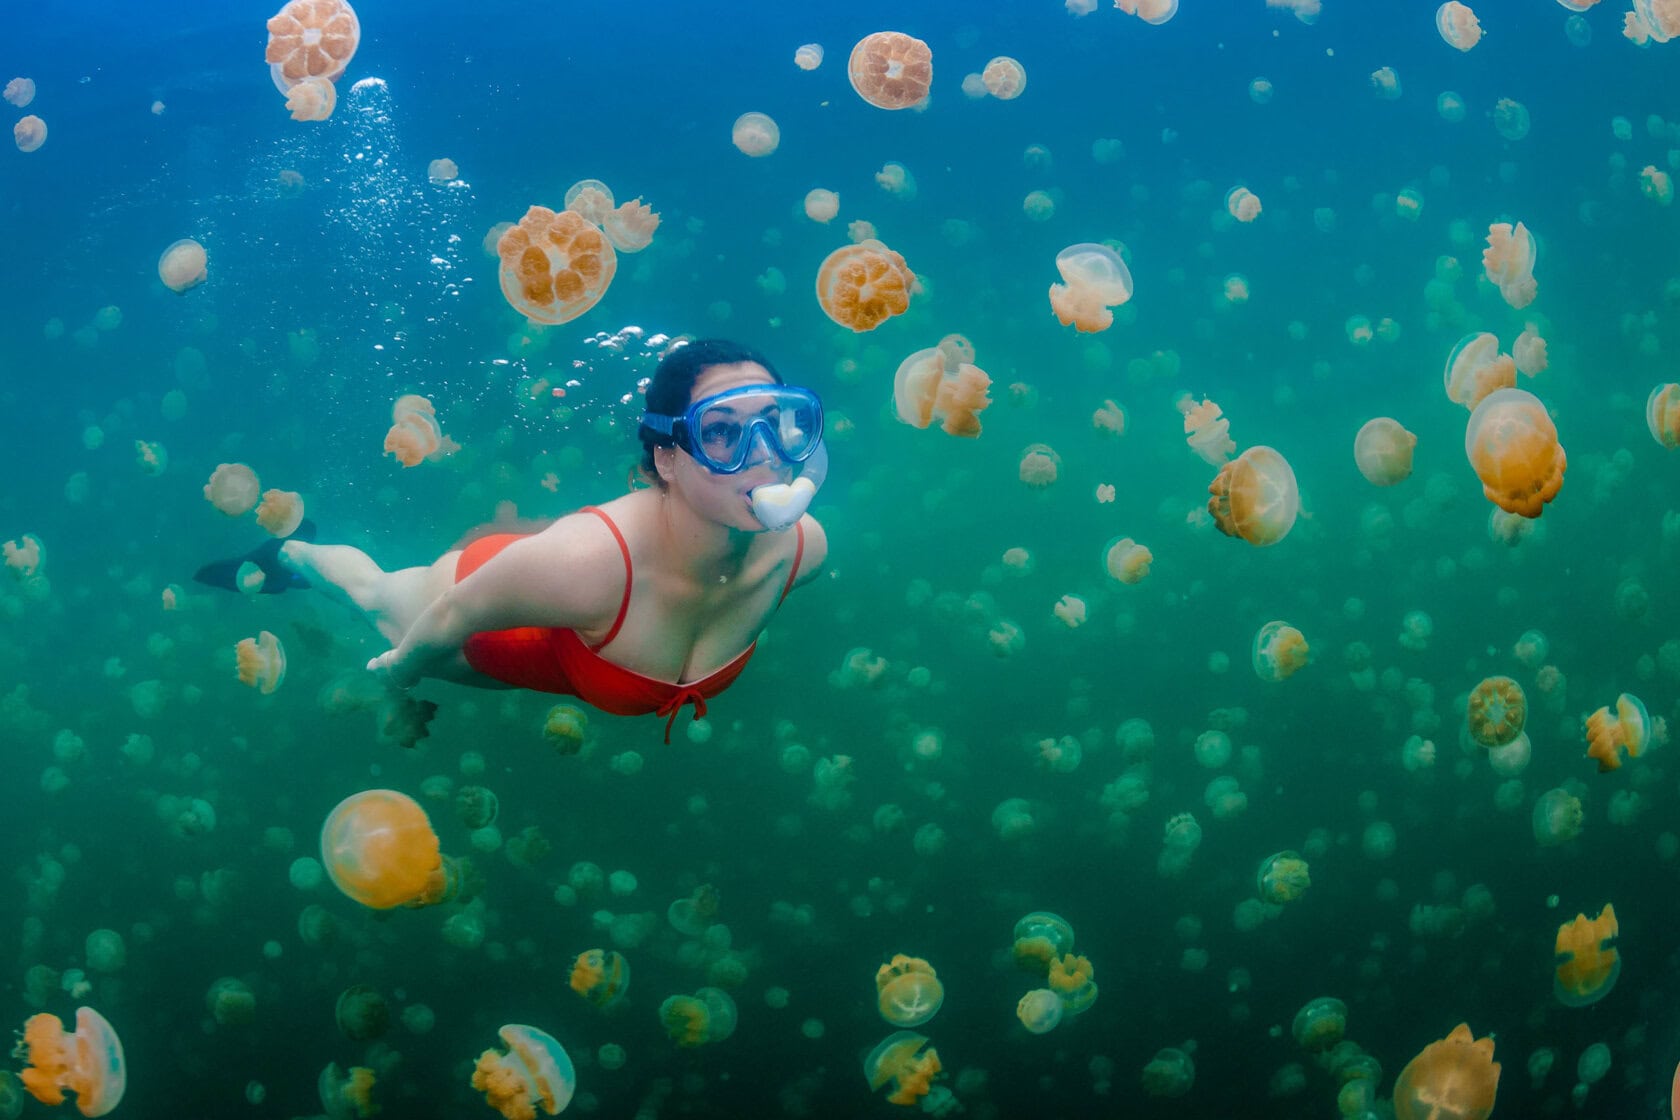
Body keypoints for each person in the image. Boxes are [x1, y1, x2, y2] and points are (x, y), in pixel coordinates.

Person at [278, 339, 828, 740]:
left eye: (775, 422)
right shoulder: (587, 562)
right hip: (478, 616)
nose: (763, 454)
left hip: (563, 622)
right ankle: (290, 551)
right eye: (721, 430)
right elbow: (451, 613)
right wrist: (398, 673)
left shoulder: (804, 553)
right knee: (374, 594)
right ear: (666, 456)